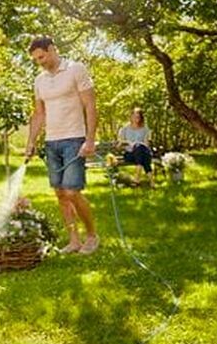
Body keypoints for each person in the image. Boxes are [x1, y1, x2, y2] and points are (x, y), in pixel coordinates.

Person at [24, 36, 100, 255]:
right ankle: (74, 240)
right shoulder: (39, 80)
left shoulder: (76, 69)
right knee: (60, 194)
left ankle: (92, 236)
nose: (39, 62)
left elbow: (90, 105)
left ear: (52, 49)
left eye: (42, 57)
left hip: (74, 139)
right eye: (36, 59)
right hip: (52, 142)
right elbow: (39, 114)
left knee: (72, 191)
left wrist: (90, 139)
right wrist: (31, 141)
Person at [118, 108, 154, 186]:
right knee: (142, 155)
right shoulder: (124, 128)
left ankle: (138, 179)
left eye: (138, 117)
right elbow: (119, 143)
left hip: (142, 152)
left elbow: (146, 144)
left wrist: (140, 145)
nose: (136, 119)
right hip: (130, 154)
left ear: (141, 118)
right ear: (131, 117)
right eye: (134, 116)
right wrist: (128, 142)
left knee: (140, 149)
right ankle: (151, 181)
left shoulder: (145, 128)